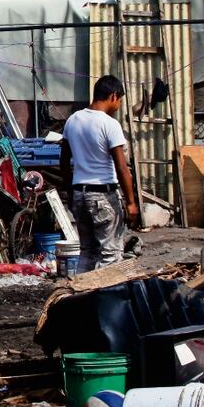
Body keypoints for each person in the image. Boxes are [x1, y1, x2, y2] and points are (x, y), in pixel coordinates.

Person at [60, 75, 138, 273]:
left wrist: (71, 193)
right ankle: (105, 299)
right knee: (110, 255)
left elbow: (63, 163)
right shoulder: (109, 124)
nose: (119, 105)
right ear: (113, 96)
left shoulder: (72, 121)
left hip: (79, 193)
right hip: (103, 195)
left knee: (87, 252)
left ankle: (79, 298)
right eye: (119, 100)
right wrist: (131, 202)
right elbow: (122, 167)